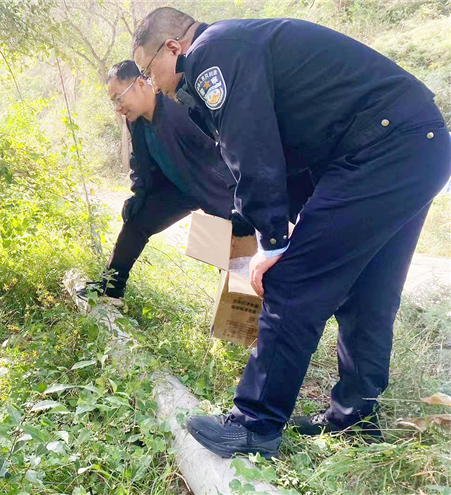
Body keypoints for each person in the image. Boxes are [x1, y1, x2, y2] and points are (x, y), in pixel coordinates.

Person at [132, 8, 451, 459]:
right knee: (369, 293)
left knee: (293, 283)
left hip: (380, 148)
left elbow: (252, 147)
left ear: (172, 47)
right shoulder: (238, 44)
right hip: (417, 146)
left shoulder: (210, 54)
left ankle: (255, 425)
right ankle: (355, 419)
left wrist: (274, 243)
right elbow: (292, 150)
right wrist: (293, 221)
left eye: (148, 70)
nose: (152, 81)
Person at [78, 60, 252, 305]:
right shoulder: (135, 121)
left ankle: (244, 312)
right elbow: (139, 162)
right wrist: (138, 195)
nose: (118, 108)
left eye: (119, 98)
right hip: (177, 190)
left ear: (140, 83)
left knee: (235, 249)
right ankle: (111, 289)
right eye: (113, 102)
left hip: (214, 188)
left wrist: (239, 199)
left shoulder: (179, 109)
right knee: (136, 222)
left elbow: (223, 151)